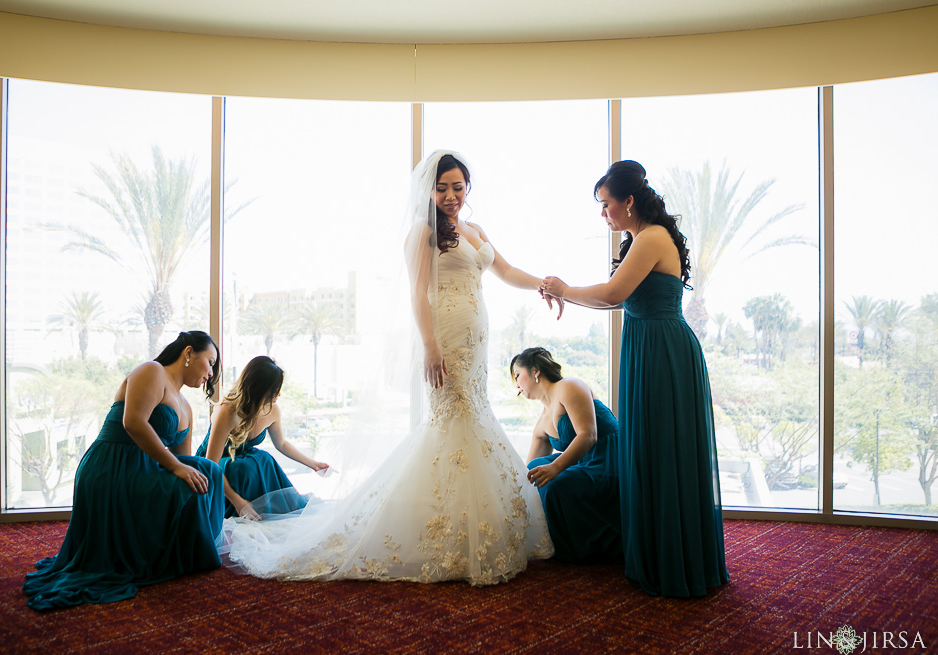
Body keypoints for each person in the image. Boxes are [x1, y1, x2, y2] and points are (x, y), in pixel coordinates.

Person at [219, 150, 556, 585]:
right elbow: (418, 293)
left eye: (458, 186)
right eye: (443, 188)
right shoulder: (422, 232)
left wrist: (544, 285)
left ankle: (467, 527)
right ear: (429, 191)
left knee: (473, 419)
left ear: (468, 187)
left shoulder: (474, 230)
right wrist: (431, 346)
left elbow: (506, 270)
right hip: (446, 340)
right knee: (451, 423)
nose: (452, 195)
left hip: (476, 346)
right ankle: (442, 534)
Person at [539, 160, 729, 597]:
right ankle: (662, 554)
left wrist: (564, 289)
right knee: (650, 450)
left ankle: (676, 560)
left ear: (628, 200)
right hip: (646, 347)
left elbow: (612, 294)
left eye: (606, 204)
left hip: (664, 352)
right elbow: (614, 302)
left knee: (665, 450)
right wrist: (565, 294)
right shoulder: (637, 241)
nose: (602, 213)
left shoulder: (652, 237)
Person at [23, 331, 225, 610]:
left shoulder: (186, 407)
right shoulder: (152, 371)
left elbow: (184, 460)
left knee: (208, 471)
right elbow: (133, 423)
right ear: (189, 353)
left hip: (147, 466)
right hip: (113, 464)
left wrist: (185, 469)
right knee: (186, 479)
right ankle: (176, 556)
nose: (211, 373)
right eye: (210, 362)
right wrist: (177, 468)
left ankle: (192, 552)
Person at [512, 347, 622, 563]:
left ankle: (579, 549)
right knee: (537, 467)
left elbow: (588, 435)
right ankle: (554, 540)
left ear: (535, 370)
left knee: (554, 482)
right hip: (584, 461)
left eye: (517, 375)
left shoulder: (569, 387)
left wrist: (555, 468)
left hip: (609, 458)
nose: (515, 384)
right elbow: (529, 469)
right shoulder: (543, 419)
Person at [197, 356, 328, 520]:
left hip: (244, 463)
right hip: (214, 462)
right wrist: (239, 502)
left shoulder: (272, 409)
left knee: (264, 459)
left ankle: (269, 512)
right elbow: (211, 464)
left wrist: (313, 464)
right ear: (258, 389)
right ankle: (239, 512)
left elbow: (281, 443)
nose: (278, 394)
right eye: (273, 390)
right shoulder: (227, 411)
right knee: (244, 468)